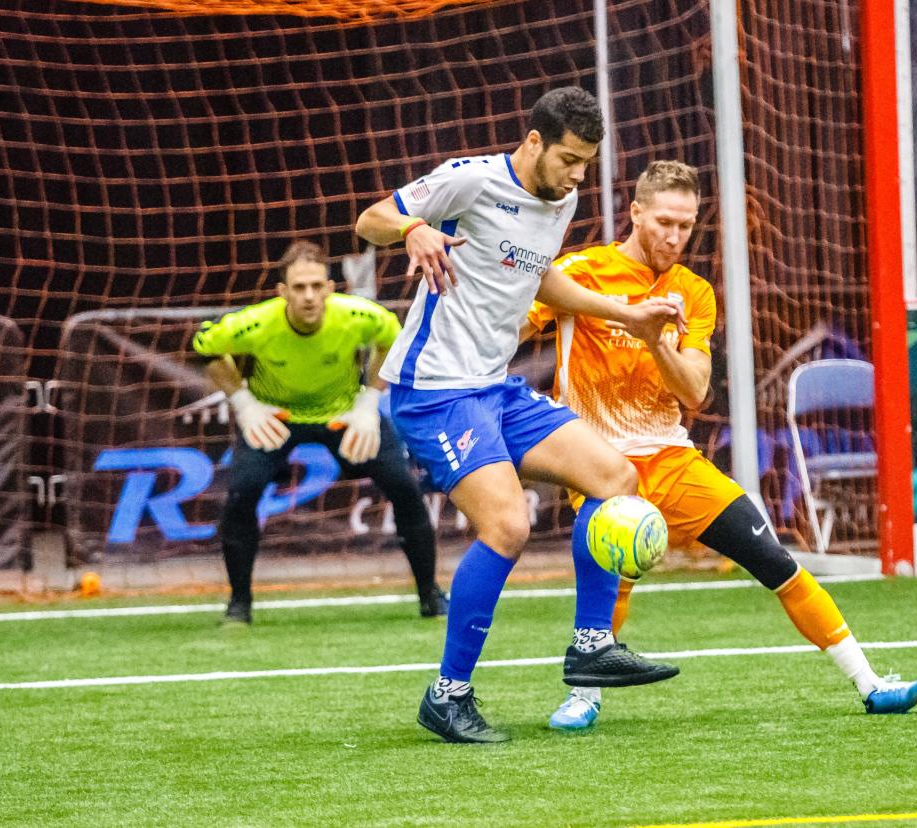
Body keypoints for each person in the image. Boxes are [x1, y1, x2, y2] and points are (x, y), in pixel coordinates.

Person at [522, 160, 917, 730]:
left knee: (777, 563)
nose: (673, 236)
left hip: (673, 459)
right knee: (611, 580)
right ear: (635, 212)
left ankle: (870, 684)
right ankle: (585, 696)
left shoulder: (692, 293)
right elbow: (512, 325)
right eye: (663, 221)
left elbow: (694, 391)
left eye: (686, 226)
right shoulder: (580, 272)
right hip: (598, 465)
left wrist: (655, 340)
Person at [354, 87, 684, 744]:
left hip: (493, 388)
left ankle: (592, 644)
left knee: (614, 479)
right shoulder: (470, 180)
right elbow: (369, 220)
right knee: (506, 525)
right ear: (534, 141)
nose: (577, 175)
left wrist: (628, 314)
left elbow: (536, 278)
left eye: (587, 162)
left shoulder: (562, 200)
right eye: (568, 158)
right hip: (433, 391)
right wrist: (415, 227)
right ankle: (449, 695)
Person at [193, 240, 447, 625]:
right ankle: (239, 604)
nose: (309, 296)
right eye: (299, 288)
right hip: (274, 420)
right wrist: (244, 403)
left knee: (405, 488)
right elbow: (206, 349)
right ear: (282, 292)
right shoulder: (256, 323)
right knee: (241, 496)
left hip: (345, 416)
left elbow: (391, 342)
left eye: (316, 286)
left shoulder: (361, 317)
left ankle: (430, 595)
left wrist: (368, 402)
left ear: (331, 287)